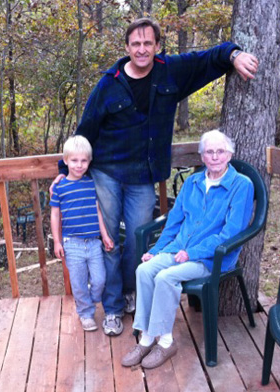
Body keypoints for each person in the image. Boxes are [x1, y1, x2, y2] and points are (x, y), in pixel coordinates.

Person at [50, 17, 259, 336]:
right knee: (109, 242)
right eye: (136, 43)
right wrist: (65, 173)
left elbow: (207, 59)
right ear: (127, 47)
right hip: (106, 171)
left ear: (158, 46)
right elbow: (86, 129)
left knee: (137, 239)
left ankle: (133, 290)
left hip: (143, 177)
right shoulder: (110, 83)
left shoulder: (170, 71)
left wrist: (234, 55)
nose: (142, 49)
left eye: (148, 43)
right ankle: (113, 307)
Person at [121, 130, 254, 369]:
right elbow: (174, 221)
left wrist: (192, 253)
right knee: (144, 270)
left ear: (230, 155)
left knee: (165, 277)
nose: (215, 156)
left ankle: (166, 342)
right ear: (202, 157)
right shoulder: (192, 182)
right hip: (179, 249)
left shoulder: (241, 186)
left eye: (220, 151)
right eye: (209, 152)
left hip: (211, 258)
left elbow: (231, 233)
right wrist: (158, 249)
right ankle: (147, 337)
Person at [50, 135, 114, 331]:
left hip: (94, 242)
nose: (79, 165)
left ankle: (91, 300)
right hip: (72, 243)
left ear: (89, 161)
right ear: (66, 160)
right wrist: (57, 242)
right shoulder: (60, 187)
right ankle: (86, 314)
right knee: (78, 282)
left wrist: (105, 236)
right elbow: (54, 216)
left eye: (84, 160)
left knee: (99, 279)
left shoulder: (91, 184)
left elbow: (98, 211)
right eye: (74, 160)